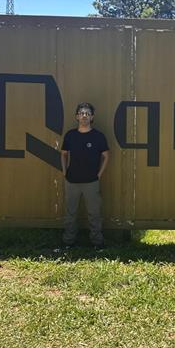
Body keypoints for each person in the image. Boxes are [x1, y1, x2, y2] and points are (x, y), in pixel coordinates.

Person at [60, 102, 110, 248]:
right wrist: (64, 172)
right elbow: (63, 154)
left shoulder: (98, 136)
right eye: (81, 113)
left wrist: (99, 175)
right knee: (70, 214)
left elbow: (106, 156)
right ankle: (68, 242)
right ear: (77, 116)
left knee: (94, 214)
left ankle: (97, 242)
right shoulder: (70, 135)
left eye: (87, 113)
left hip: (91, 182)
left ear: (92, 117)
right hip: (71, 181)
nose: (84, 116)